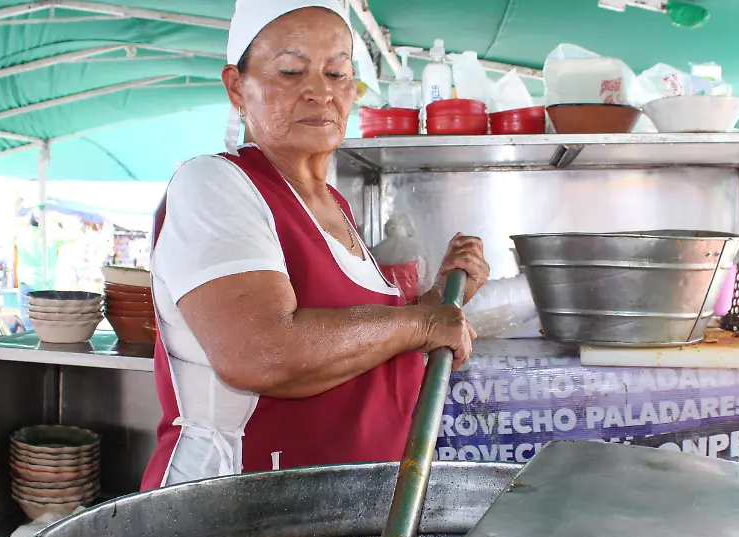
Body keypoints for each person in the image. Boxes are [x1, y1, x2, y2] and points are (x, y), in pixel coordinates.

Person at [141, 0, 489, 490]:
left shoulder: (333, 206)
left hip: (340, 514)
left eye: (336, 73)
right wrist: (422, 321)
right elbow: (263, 352)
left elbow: (365, 344)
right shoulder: (215, 184)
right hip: (232, 513)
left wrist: (441, 301)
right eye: (290, 71)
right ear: (237, 87)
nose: (319, 92)